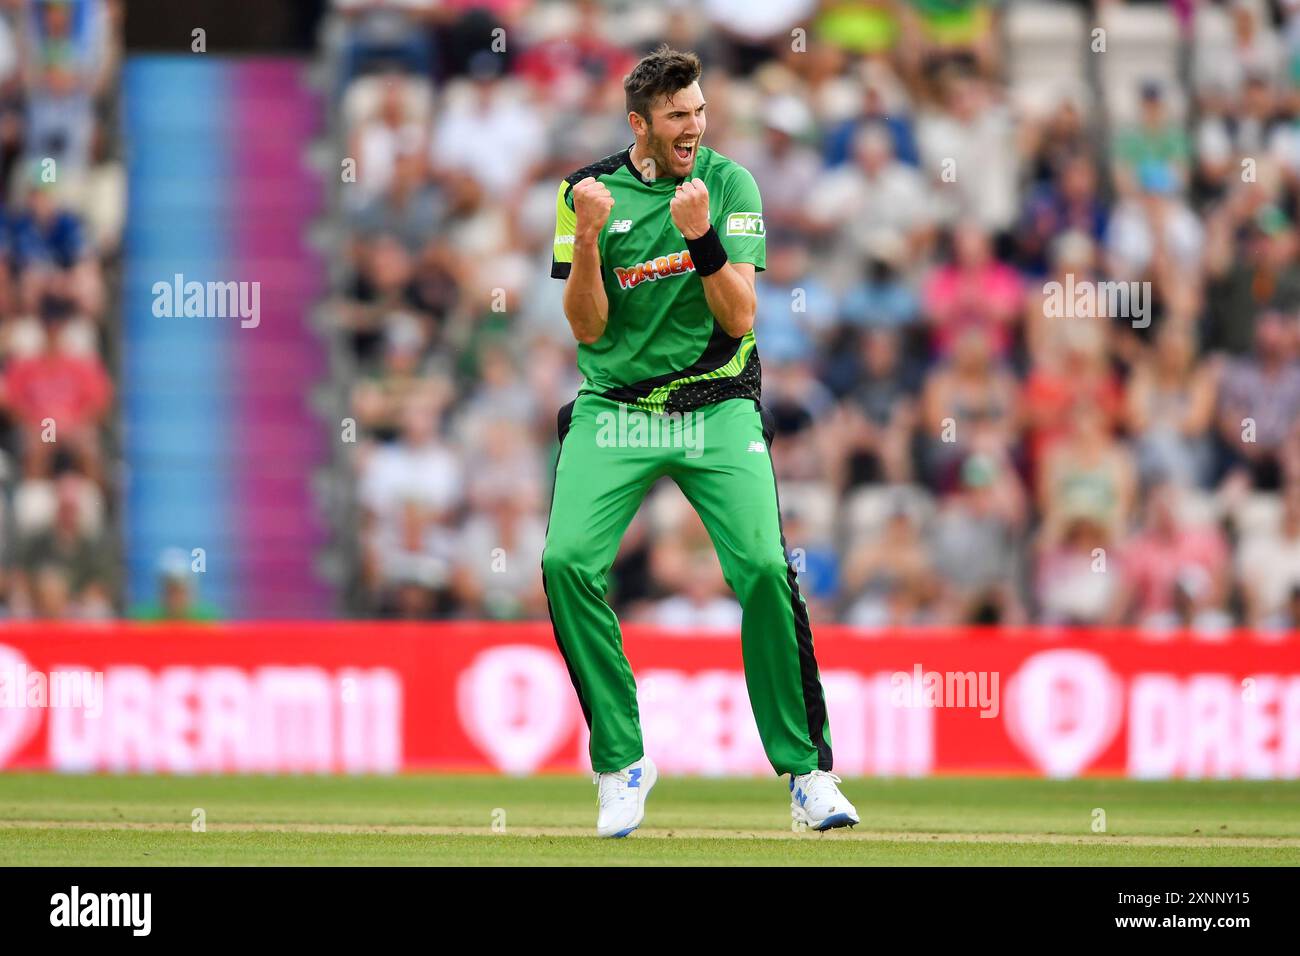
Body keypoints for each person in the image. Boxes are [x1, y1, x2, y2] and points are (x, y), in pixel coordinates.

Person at [541, 46, 856, 838]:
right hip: (617, 405)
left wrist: (702, 236)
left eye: (700, 111)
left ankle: (809, 774)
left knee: (759, 566)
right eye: (678, 115)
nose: (695, 126)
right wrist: (585, 237)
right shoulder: (583, 194)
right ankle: (622, 763)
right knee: (563, 563)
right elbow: (585, 326)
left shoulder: (727, 184)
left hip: (716, 404)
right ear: (639, 123)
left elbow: (741, 316)